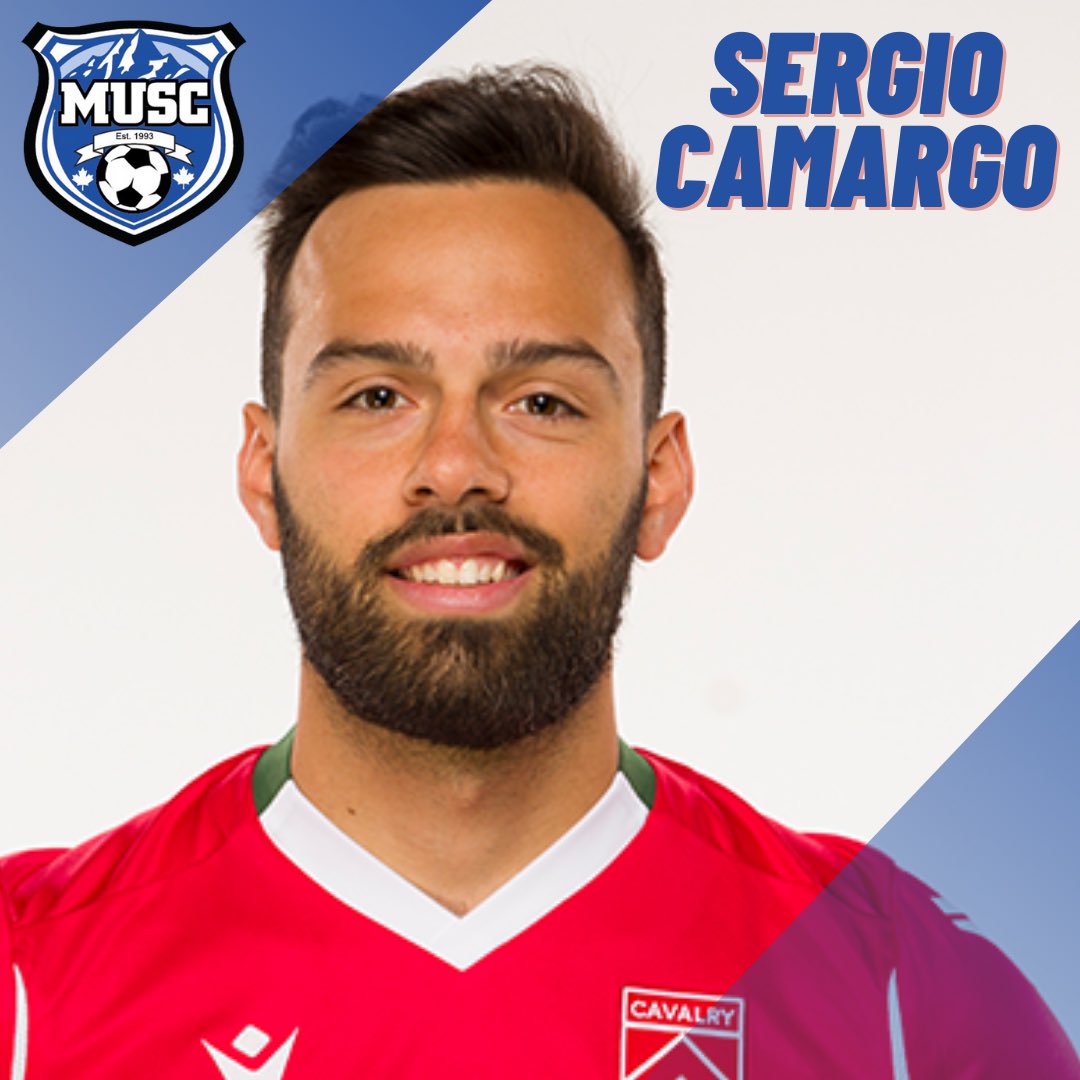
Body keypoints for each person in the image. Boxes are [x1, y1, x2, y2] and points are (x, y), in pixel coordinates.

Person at [1, 66, 1076, 1080]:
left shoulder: (899, 994)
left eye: (542, 402)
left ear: (658, 479)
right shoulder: (27, 980)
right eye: (377, 397)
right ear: (262, 470)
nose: (455, 464)